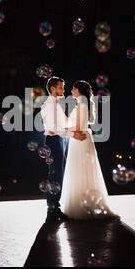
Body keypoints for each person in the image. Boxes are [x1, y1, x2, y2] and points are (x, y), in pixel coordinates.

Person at [58, 80, 120, 220]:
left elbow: (78, 126)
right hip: (80, 140)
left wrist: (60, 129)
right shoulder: (81, 104)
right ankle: (84, 203)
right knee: (82, 171)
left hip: (80, 140)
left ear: (79, 90)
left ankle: (82, 206)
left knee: (80, 170)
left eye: (73, 89)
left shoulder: (81, 104)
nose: (71, 91)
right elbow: (75, 123)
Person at [40, 77, 87, 221]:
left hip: (59, 140)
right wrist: (74, 134)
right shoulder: (49, 104)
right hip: (54, 140)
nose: (63, 90)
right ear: (53, 89)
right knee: (55, 174)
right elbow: (53, 128)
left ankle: (54, 207)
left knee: (58, 173)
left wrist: (78, 126)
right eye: (61, 87)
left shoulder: (56, 104)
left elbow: (64, 124)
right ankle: (53, 209)